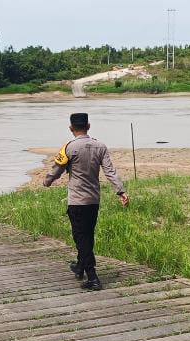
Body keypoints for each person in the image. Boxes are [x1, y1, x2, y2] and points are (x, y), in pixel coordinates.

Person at [44, 113, 129, 291]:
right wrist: (120, 190)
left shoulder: (69, 147)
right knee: (87, 235)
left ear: (71, 128)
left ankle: (93, 277)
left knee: (80, 237)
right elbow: (110, 171)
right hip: (93, 200)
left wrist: (48, 181)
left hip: (76, 201)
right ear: (88, 126)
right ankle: (80, 266)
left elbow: (57, 169)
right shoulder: (100, 146)